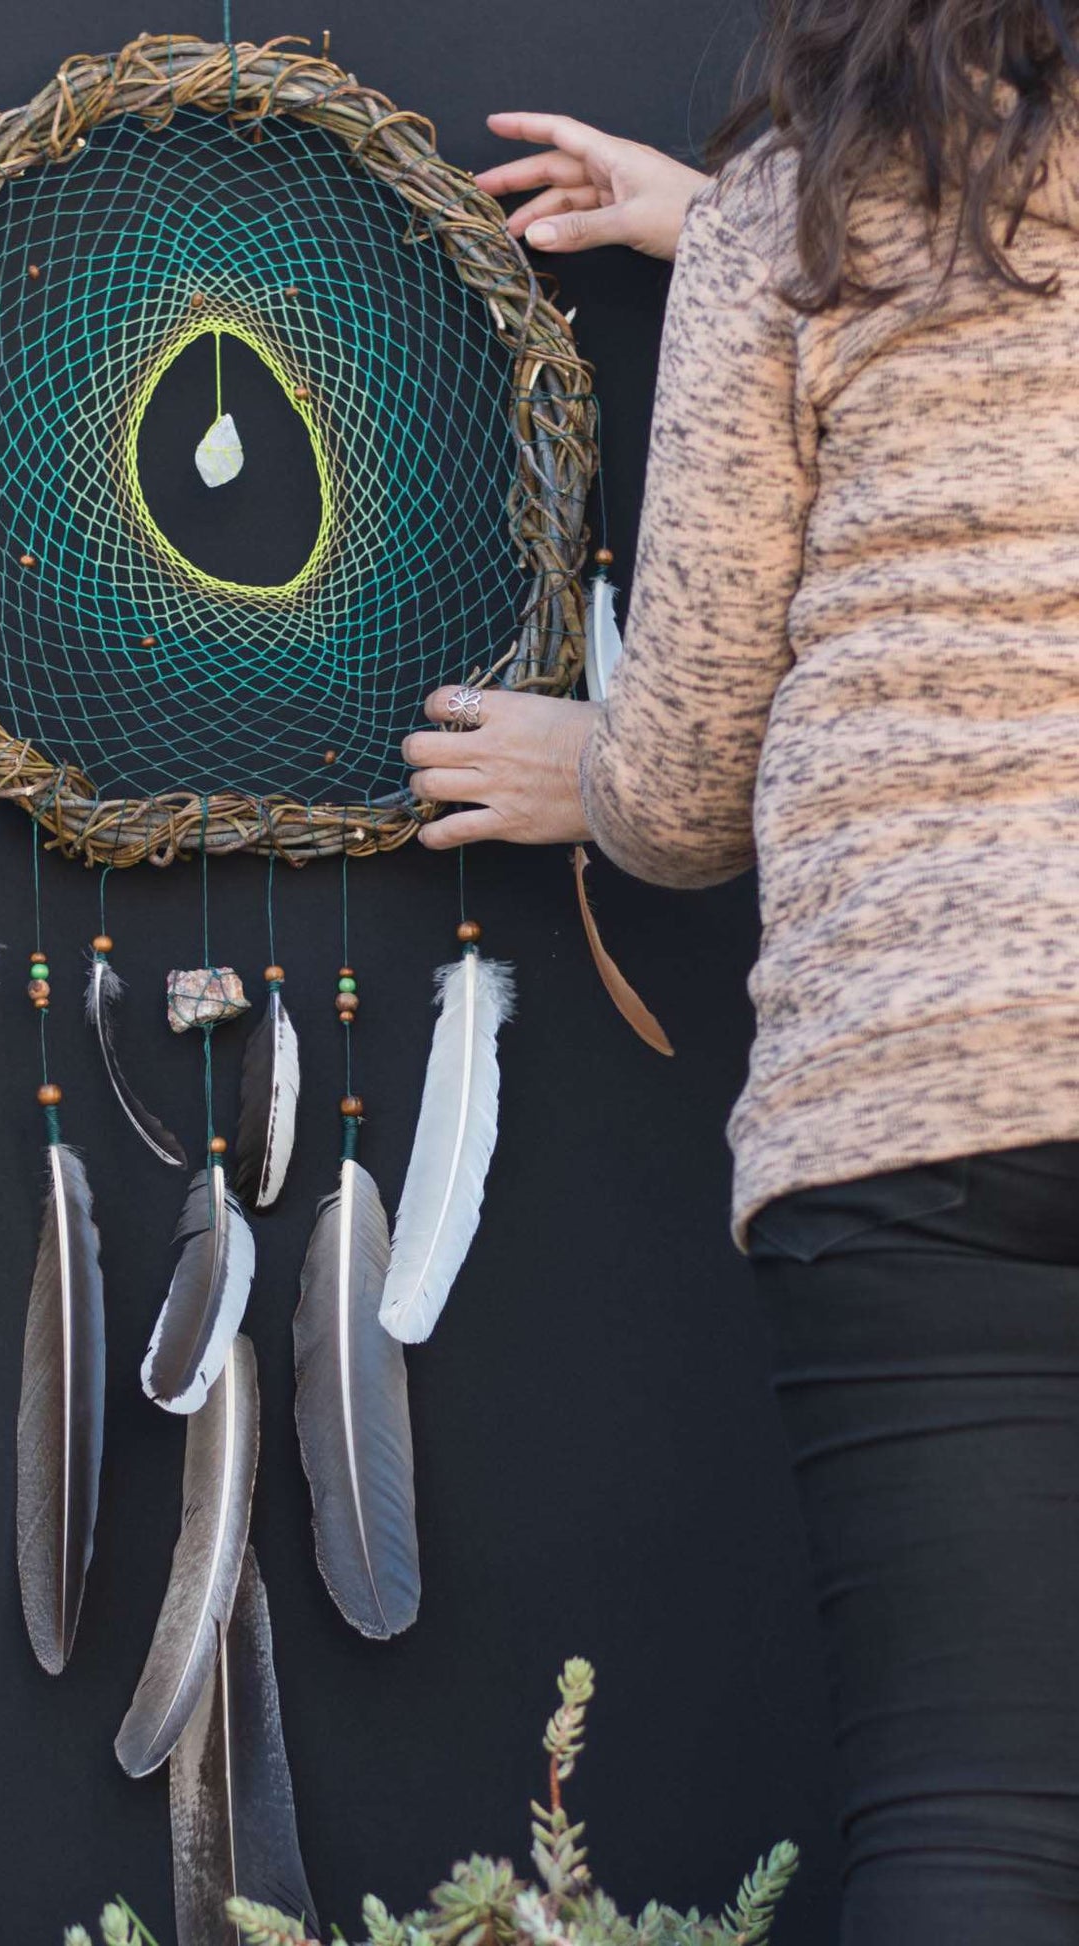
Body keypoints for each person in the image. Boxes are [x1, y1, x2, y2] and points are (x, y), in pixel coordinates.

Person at [403, 6, 1079, 1942]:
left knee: (979, 1826)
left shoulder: (790, 222)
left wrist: (586, 769)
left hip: (909, 1107)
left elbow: (683, 781)